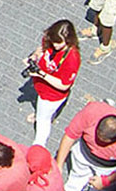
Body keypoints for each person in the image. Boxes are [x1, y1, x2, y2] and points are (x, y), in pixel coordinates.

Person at [28, 20, 81, 149]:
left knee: (43, 121)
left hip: (52, 95)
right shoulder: (50, 38)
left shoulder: (72, 58)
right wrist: (34, 56)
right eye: (53, 41)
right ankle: (42, 114)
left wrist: (41, 74)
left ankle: (39, 144)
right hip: (41, 87)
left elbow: (64, 85)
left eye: (59, 43)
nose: (55, 45)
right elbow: (41, 50)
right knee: (43, 112)